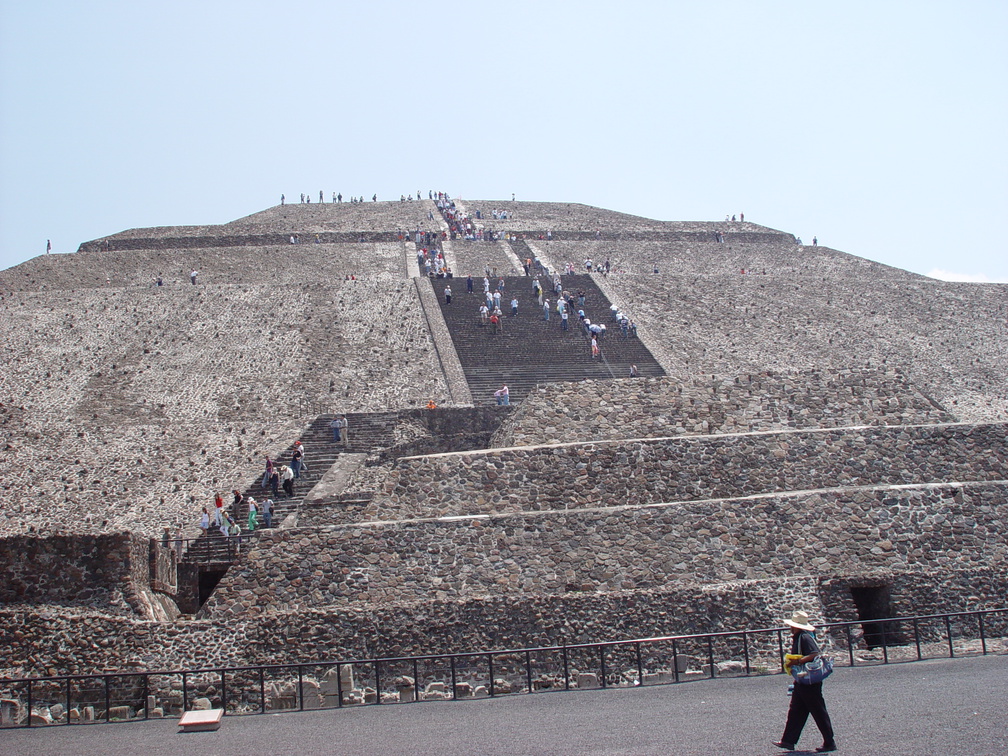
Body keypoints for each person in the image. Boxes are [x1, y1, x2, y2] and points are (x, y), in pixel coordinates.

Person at [774, 610, 837, 752]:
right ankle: (788, 741)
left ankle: (829, 742)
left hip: (809, 681)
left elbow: (815, 653)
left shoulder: (804, 637)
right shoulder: (800, 636)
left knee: (818, 710)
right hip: (803, 680)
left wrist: (798, 661)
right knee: (796, 710)